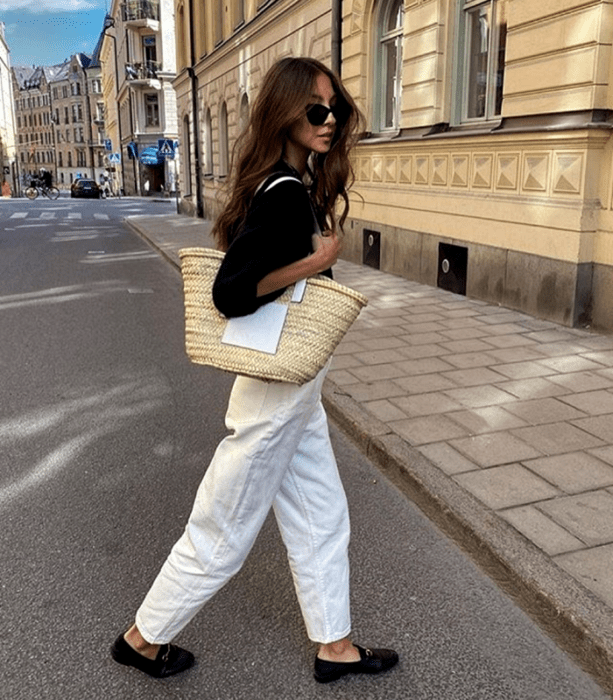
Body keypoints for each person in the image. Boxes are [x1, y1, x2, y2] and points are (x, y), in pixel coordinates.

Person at [110, 56, 399, 685]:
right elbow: (231, 292)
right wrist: (316, 259)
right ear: (286, 113)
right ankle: (143, 636)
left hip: (296, 388)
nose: (329, 121)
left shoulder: (286, 182)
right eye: (316, 110)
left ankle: (336, 645)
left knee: (322, 513)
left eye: (335, 109)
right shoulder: (288, 196)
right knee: (225, 524)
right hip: (276, 391)